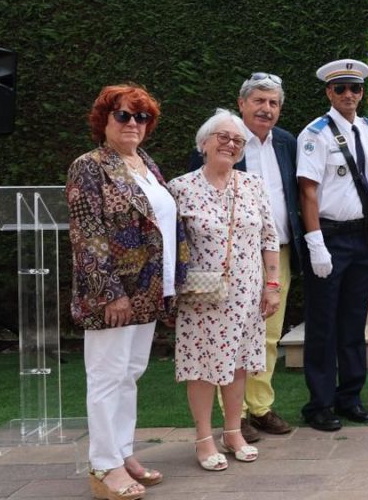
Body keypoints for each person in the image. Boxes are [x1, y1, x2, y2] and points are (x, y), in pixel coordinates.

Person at [68, 84, 186, 500]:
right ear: (105, 120)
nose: (133, 124)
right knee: (105, 377)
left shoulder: (146, 164)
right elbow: (88, 237)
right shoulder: (90, 166)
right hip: (113, 294)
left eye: (141, 117)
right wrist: (109, 293)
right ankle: (104, 464)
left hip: (149, 289)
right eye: (123, 115)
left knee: (130, 375)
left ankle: (122, 452)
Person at [187, 73, 303, 442]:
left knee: (267, 334)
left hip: (275, 252)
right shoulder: (223, 141)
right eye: (259, 101)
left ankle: (260, 406)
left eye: (273, 103)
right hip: (224, 262)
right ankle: (231, 419)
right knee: (226, 339)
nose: (266, 109)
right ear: (242, 104)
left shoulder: (286, 142)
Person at [169, 109, 280, 471]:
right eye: (223, 137)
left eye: (237, 141)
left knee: (239, 366)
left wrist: (273, 285)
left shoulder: (253, 185)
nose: (230, 145)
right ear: (204, 143)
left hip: (247, 293)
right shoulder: (180, 187)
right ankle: (204, 439)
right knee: (200, 368)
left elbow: (269, 237)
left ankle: (233, 433)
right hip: (202, 296)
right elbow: (168, 246)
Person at [296, 59, 368, 431]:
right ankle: (319, 404)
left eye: (355, 89)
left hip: (363, 236)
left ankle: (349, 396)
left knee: (354, 322)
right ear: (329, 93)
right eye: (341, 89)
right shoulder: (315, 133)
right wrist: (315, 244)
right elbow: (308, 192)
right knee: (323, 325)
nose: (349, 95)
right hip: (329, 237)